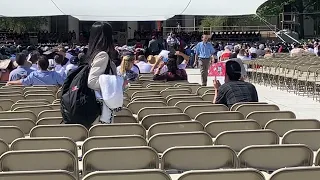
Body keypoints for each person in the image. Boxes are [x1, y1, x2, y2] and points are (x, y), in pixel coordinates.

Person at [87, 22, 117, 92]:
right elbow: (92, 82)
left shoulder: (92, 53)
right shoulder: (102, 55)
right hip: (100, 99)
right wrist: (116, 82)